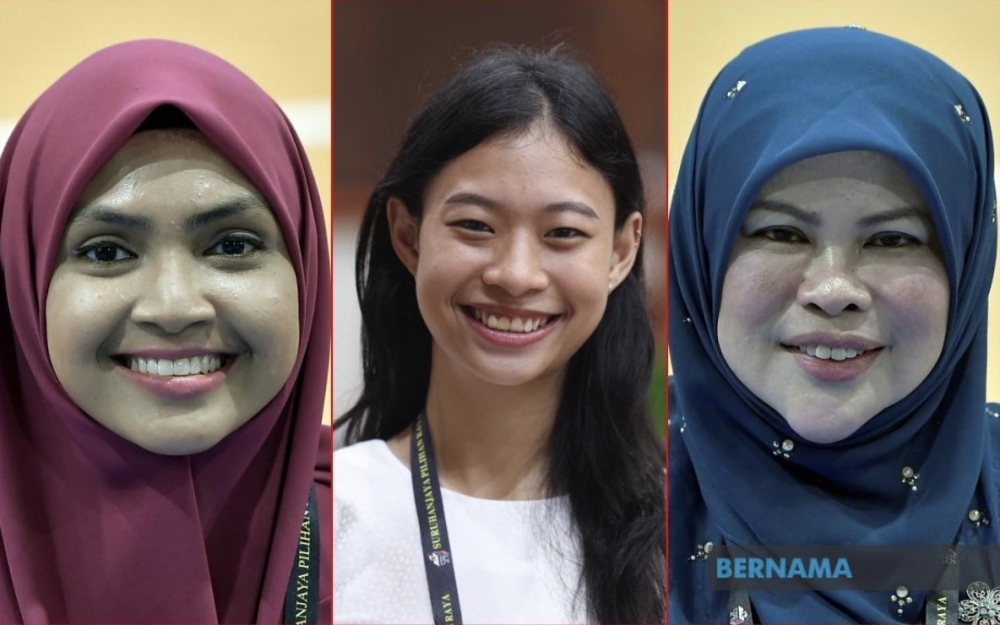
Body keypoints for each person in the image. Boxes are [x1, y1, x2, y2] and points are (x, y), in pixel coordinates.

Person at [668, 27, 1000, 623]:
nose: (833, 291)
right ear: (703, 249)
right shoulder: (597, 482)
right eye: (781, 232)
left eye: (893, 238)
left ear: (967, 264)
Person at [0, 40, 331, 623]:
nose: (174, 307)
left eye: (233, 245)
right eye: (106, 251)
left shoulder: (390, 527)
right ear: (21, 285)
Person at [333, 46, 664, 624]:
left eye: (562, 232)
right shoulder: (321, 519)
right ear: (408, 237)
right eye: (474, 226)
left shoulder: (689, 533)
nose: (514, 274)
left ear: (620, 251)